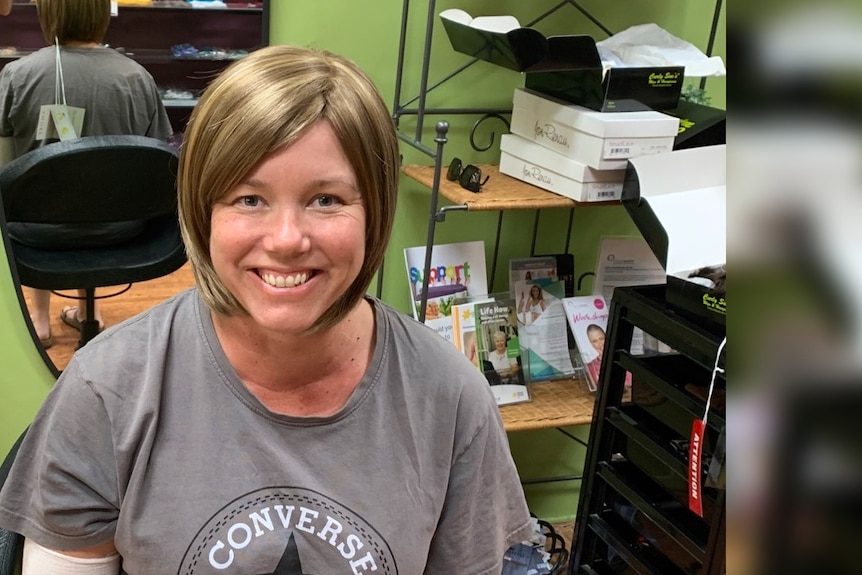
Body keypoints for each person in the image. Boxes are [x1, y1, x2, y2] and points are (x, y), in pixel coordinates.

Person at [0, 45, 531, 573]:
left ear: (376, 212)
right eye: (248, 199)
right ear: (202, 212)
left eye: (326, 199)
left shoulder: (452, 400)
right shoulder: (106, 392)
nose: (286, 240)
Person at [0, 0, 172, 348]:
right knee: (91, 190)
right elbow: (155, 164)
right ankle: (86, 313)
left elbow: (6, 170)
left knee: (40, 190)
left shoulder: (17, 75)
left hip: (34, 237)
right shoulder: (137, 78)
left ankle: (39, 321)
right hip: (122, 231)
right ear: (100, 13)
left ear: (47, 13)